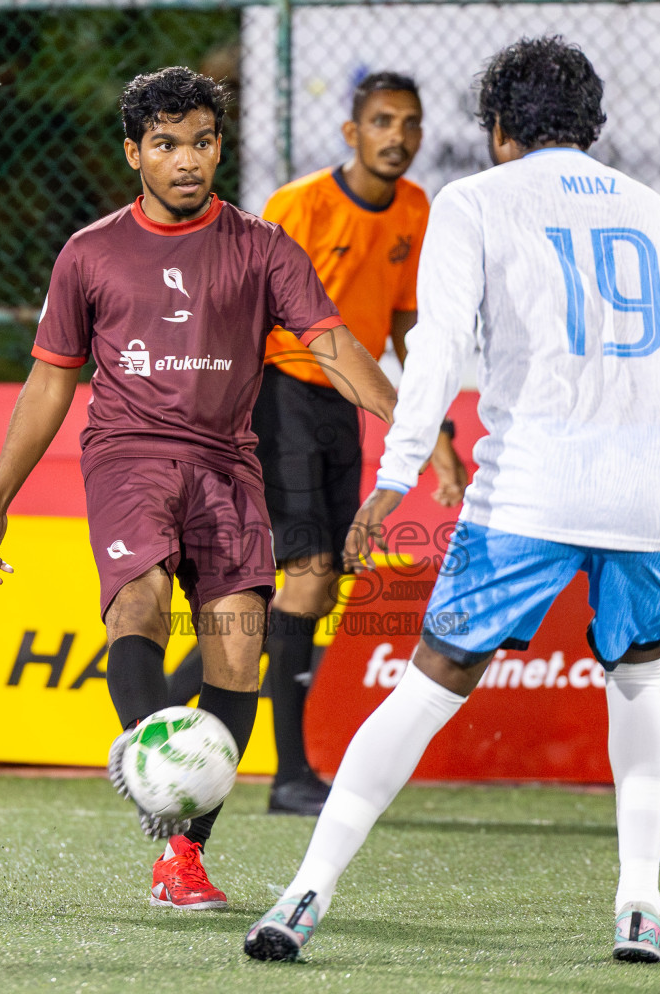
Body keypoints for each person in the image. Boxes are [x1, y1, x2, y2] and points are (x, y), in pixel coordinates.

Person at [244, 37, 660, 963]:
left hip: (528, 495)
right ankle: (641, 909)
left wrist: (394, 477)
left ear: (498, 130)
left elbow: (437, 350)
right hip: (650, 503)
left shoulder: (472, 202)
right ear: (591, 124)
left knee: (429, 684)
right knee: (641, 682)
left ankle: (304, 894)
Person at [0, 67, 396, 912]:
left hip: (229, 462)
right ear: (134, 154)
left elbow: (332, 346)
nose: (187, 160)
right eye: (166, 144)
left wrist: (409, 431)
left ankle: (182, 856)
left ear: (219, 146)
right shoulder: (90, 252)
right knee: (142, 605)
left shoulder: (262, 247)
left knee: (236, 647)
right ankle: (154, 774)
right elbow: (49, 384)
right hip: (130, 457)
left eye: (202, 141)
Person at [166, 71, 468, 817]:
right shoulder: (298, 206)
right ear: (352, 133)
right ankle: (292, 775)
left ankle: (161, 714)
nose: (397, 136)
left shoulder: (417, 210)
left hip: (344, 403)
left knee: (319, 585)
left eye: (409, 124)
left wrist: (434, 430)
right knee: (306, 575)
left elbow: (404, 326)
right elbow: (238, 311)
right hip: (279, 394)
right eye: (382, 121)